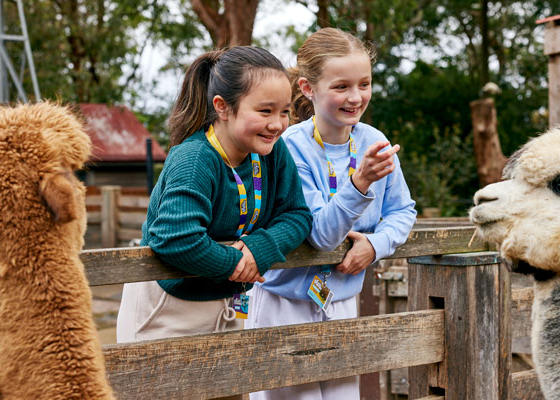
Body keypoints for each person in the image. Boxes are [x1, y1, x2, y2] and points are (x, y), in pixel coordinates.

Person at [245, 28, 417, 400]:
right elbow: (321, 235)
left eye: (364, 84)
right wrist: (360, 183)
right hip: (285, 305)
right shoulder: (289, 148)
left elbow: (402, 210)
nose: (356, 98)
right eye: (341, 86)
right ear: (308, 88)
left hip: (339, 303)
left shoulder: (374, 141)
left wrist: (376, 244)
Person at [116, 46, 312, 343]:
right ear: (222, 107)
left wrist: (260, 248)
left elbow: (297, 215)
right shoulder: (195, 159)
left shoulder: (271, 151)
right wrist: (235, 263)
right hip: (169, 308)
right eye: (265, 110)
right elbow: (174, 237)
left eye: (284, 111)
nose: (277, 124)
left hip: (231, 304)